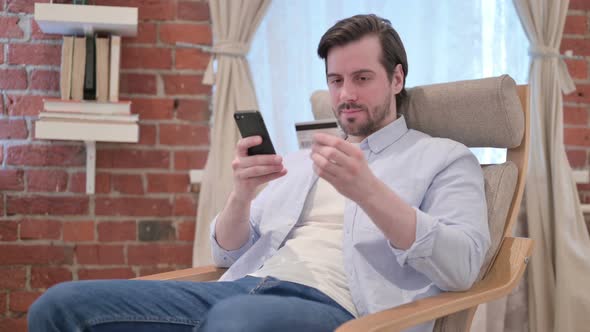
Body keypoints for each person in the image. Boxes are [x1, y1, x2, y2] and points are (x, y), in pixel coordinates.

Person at [28, 14, 490, 332]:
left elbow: (463, 265)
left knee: (236, 324)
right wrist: (241, 195)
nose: (346, 93)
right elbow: (226, 255)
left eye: (362, 78)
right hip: (241, 290)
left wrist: (368, 191)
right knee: (59, 307)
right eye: (335, 80)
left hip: (343, 311)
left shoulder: (446, 159)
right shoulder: (303, 160)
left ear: (396, 78)